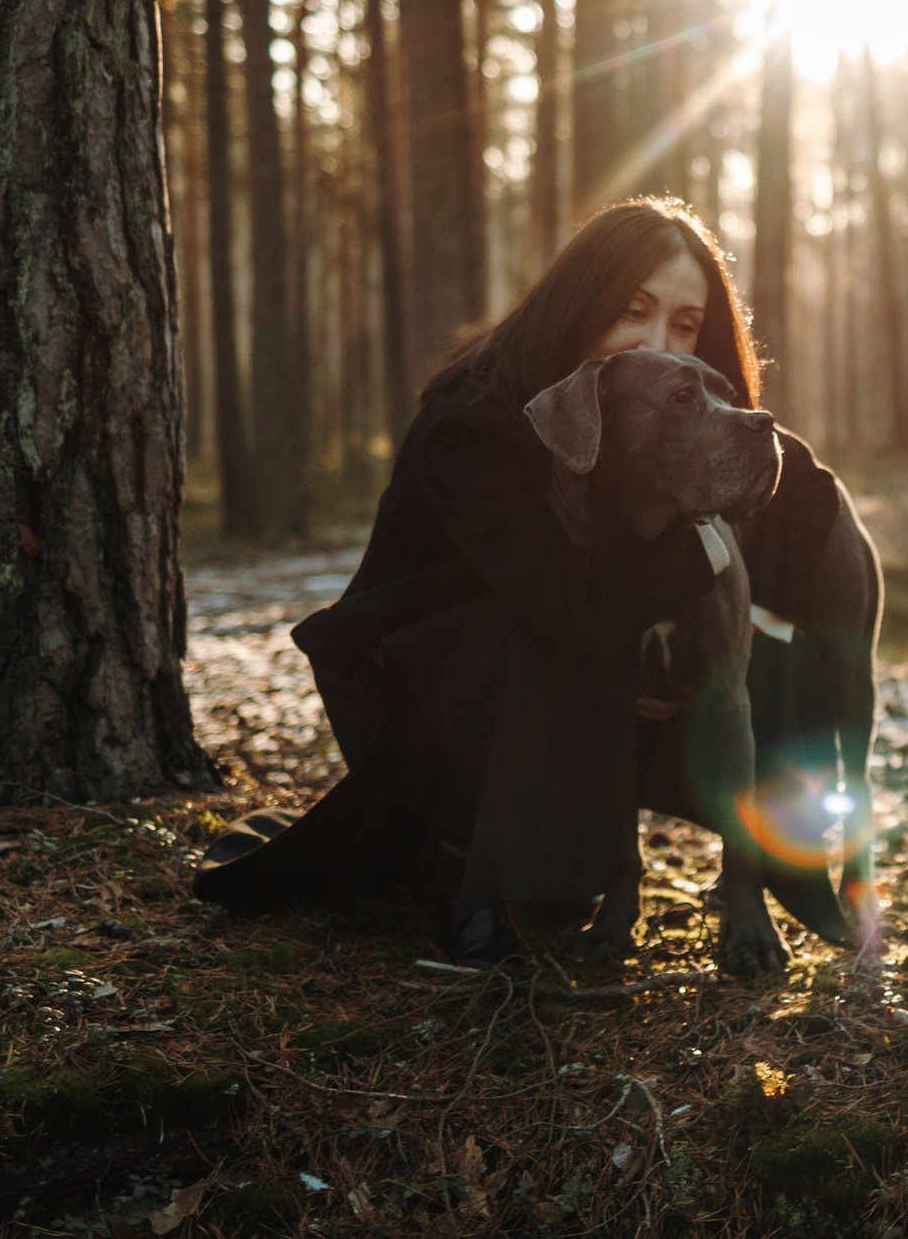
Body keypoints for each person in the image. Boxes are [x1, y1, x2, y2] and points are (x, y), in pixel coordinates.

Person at [193, 199, 844, 960]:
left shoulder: (670, 413)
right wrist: (706, 553)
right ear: (581, 299)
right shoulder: (477, 421)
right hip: (444, 710)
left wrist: (754, 453)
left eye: (686, 324)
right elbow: (570, 602)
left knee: (768, 658)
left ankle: (755, 878)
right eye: (633, 310)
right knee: (550, 636)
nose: (657, 343)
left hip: (573, 695)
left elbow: (801, 505)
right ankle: (471, 864)